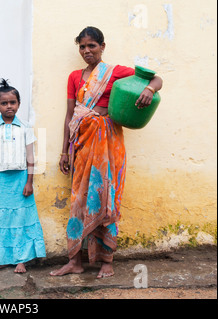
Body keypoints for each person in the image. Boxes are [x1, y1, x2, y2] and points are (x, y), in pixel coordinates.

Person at [50, 26, 163, 278]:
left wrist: (149, 89)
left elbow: (156, 79)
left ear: (102, 46)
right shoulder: (74, 77)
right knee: (79, 201)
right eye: (82, 46)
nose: (87, 50)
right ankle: (74, 261)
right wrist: (64, 152)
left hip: (109, 144)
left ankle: (107, 262)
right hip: (82, 144)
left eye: (92, 46)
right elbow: (71, 115)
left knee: (107, 197)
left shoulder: (115, 73)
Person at [0, 79, 46, 274]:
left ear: (18, 104)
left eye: (13, 102)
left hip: (20, 180)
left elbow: (30, 156)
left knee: (20, 218)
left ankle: (21, 260)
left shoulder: (25, 127)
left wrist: (29, 182)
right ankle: (1, 260)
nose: (9, 106)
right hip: (1, 180)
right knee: (2, 220)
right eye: (4, 103)